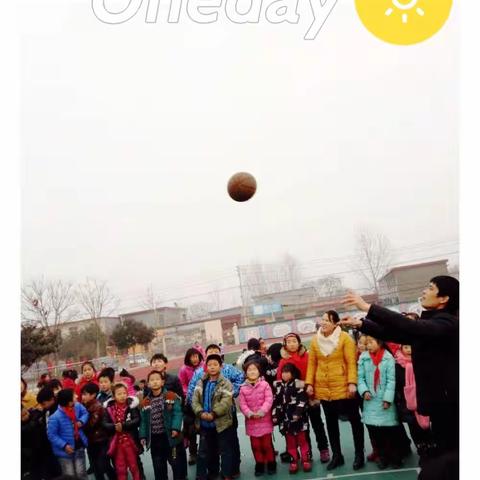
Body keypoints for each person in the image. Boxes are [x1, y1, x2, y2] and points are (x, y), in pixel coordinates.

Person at [341, 276, 459, 469]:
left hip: (450, 404)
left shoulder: (447, 324)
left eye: (430, 288)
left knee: (452, 454)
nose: (424, 291)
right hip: (440, 403)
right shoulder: (433, 323)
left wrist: (368, 308)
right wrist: (362, 324)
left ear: (443, 298)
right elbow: (396, 333)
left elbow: (411, 326)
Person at [305, 310, 365, 471]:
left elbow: (351, 362)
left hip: (344, 387)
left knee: (354, 421)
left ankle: (360, 454)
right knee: (331, 423)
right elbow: (312, 364)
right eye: (322, 320)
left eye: (327, 320)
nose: (323, 323)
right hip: (324, 389)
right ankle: (337, 455)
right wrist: (309, 383)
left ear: (335, 323)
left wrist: (352, 382)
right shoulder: (315, 340)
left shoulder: (345, 338)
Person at [187, 344, 244, 476]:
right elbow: (192, 392)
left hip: (225, 417)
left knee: (230, 443)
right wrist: (199, 411)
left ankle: (232, 470)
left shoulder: (228, 370)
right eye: (210, 352)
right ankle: (213, 472)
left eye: (216, 352)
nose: (212, 366)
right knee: (209, 448)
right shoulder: (199, 375)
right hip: (204, 419)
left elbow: (241, 379)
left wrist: (232, 393)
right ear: (206, 358)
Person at [277, 332, 330, 464]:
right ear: (285, 344)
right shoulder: (283, 361)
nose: (292, 344)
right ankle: (307, 452)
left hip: (311, 396)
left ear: (299, 342)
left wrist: (309, 388)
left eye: (294, 341)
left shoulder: (308, 356)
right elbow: (280, 381)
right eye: (288, 342)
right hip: (294, 403)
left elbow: (314, 373)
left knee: (317, 424)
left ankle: (324, 450)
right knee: (302, 429)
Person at [358, 336, 402, 469]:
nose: (368, 345)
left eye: (371, 342)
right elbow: (360, 378)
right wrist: (364, 391)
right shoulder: (363, 358)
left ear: (379, 343)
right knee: (376, 433)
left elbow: (391, 381)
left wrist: (388, 399)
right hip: (370, 401)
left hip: (385, 401)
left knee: (390, 431)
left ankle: (395, 457)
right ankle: (382, 457)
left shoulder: (388, 358)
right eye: (367, 343)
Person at [191, 354, 235, 480]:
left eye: (215, 364)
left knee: (225, 451)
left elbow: (226, 402)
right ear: (206, 367)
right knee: (204, 452)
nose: (212, 367)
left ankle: (226, 474)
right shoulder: (201, 382)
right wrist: (200, 413)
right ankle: (203, 475)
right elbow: (195, 401)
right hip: (205, 424)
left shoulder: (226, 383)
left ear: (220, 367)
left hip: (221, 424)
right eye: (209, 365)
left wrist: (214, 414)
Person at [140, 370, 187, 480]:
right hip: (155, 440)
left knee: (176, 464)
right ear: (148, 384)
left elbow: (177, 413)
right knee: (158, 466)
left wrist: (175, 428)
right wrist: (142, 435)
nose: (155, 382)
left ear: (162, 382)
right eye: (152, 380)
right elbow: (143, 421)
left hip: (171, 437)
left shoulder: (171, 396)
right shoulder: (145, 402)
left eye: (157, 379)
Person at [394, 344, 433, 458]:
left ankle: (431, 448)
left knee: (426, 427)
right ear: (401, 349)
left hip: (422, 399)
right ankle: (421, 450)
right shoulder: (398, 365)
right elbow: (398, 383)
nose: (409, 350)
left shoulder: (421, 361)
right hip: (407, 403)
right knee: (414, 428)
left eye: (411, 347)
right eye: (406, 347)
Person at [238, 360, 276, 476]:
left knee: (267, 445)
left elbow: (269, 400)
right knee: (256, 446)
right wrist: (249, 414)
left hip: (264, 421)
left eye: (254, 369)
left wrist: (261, 412)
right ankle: (259, 464)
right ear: (246, 373)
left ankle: (271, 463)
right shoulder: (243, 388)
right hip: (252, 423)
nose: (252, 372)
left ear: (259, 371)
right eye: (249, 370)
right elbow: (242, 404)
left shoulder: (265, 385)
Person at [272, 363, 311, 474]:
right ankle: (293, 460)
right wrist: (275, 416)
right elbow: (276, 402)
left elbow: (303, 400)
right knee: (290, 442)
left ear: (293, 373)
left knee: (302, 440)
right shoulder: (279, 386)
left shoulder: (299, 384)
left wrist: (297, 413)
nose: (284, 374)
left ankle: (305, 459)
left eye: (287, 372)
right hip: (285, 420)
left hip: (299, 419)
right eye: (283, 372)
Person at [47, 389, 89, 479]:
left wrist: (81, 421)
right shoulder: (55, 417)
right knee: (69, 475)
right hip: (64, 452)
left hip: (78, 445)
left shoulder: (77, 406)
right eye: (74, 396)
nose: (77, 396)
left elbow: (85, 413)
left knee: (81, 473)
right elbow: (51, 435)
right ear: (69, 402)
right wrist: (64, 445)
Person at [103, 383, 142, 480]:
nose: (122, 396)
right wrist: (114, 427)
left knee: (134, 466)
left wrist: (123, 425)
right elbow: (104, 424)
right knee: (120, 468)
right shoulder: (109, 408)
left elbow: (137, 420)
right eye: (119, 394)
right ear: (113, 396)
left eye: (124, 393)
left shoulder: (131, 406)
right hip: (117, 444)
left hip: (130, 441)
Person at [22, 387, 62, 480]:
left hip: (57, 446)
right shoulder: (46, 410)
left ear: (52, 399)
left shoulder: (57, 410)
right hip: (47, 448)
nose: (42, 406)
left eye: (43, 404)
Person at [80, 382, 116, 480]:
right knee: (97, 467)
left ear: (93, 395)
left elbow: (91, 424)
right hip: (92, 441)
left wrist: (79, 424)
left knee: (103, 465)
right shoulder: (86, 406)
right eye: (82, 394)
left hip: (100, 441)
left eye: (85, 394)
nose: (82, 397)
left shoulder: (97, 407)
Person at [178, 348, 204, 465]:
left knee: (205, 429)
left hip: (203, 402)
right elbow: (182, 384)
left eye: (196, 356)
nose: (195, 359)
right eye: (192, 356)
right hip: (189, 404)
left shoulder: (204, 367)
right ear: (188, 358)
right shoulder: (183, 370)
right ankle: (193, 453)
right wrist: (189, 393)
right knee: (192, 430)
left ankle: (206, 451)